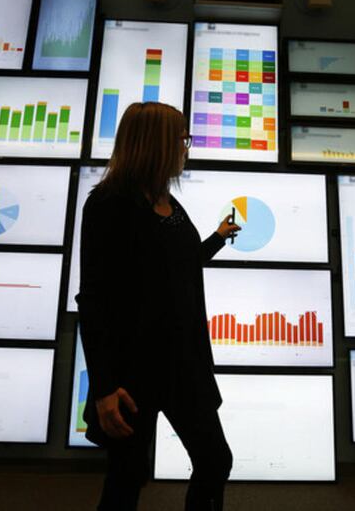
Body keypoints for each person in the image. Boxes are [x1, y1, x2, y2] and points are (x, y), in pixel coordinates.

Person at [77, 102, 241, 511]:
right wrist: (103, 388)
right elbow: (93, 300)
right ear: (157, 143)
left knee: (215, 460)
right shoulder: (109, 204)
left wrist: (218, 238)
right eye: (182, 139)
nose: (186, 148)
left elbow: (180, 264)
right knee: (127, 477)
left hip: (183, 363)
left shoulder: (169, 202)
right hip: (133, 372)